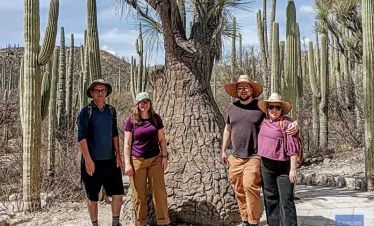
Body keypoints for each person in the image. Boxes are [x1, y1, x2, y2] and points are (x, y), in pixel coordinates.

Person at [220, 75, 298, 226]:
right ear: (237, 91)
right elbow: (228, 129)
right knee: (239, 189)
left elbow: (280, 120)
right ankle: (245, 220)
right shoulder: (232, 107)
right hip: (235, 156)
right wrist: (223, 150)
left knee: (250, 187)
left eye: (246, 87)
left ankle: (254, 220)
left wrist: (296, 124)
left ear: (252, 90)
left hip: (254, 156)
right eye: (240, 88)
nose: (243, 90)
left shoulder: (260, 108)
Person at [77, 79, 124, 226]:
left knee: (117, 193)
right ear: (92, 93)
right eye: (97, 90)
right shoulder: (86, 111)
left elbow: (115, 133)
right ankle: (95, 224)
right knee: (92, 197)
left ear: (106, 92)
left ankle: (115, 223)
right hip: (92, 161)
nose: (100, 93)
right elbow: (81, 137)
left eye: (102, 90)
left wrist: (118, 155)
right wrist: (88, 160)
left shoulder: (111, 110)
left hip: (110, 159)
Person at [123, 92, 170, 226]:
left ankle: (163, 222)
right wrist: (127, 164)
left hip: (155, 159)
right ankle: (140, 222)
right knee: (139, 196)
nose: (144, 104)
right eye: (141, 102)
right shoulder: (131, 121)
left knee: (160, 194)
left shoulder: (155, 119)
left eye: (147, 101)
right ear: (137, 104)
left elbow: (161, 140)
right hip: (137, 160)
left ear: (150, 103)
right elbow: (127, 144)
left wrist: (164, 157)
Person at [257, 93, 299, 226]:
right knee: (270, 199)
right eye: (271, 107)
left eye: (277, 107)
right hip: (266, 165)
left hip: (283, 167)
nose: (274, 110)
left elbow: (293, 149)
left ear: (282, 110)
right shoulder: (262, 122)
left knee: (286, 200)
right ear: (267, 110)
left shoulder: (287, 124)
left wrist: (293, 169)